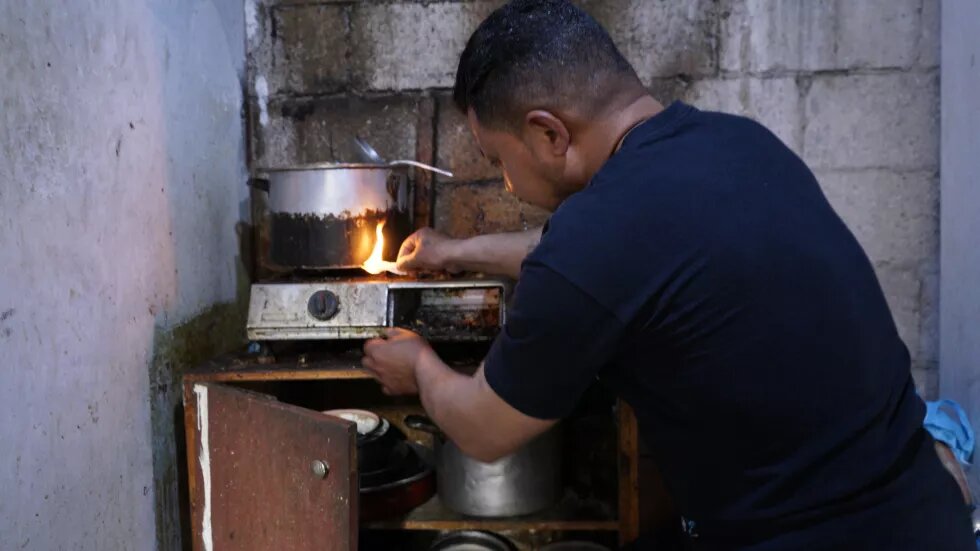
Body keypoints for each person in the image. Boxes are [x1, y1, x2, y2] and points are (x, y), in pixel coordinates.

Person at [360, 1, 975, 549]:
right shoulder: (736, 142)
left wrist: (417, 365)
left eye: (499, 160)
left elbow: (483, 427)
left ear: (549, 133)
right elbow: (599, 261)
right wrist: (453, 251)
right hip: (919, 504)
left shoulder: (596, 241)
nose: (505, 183)